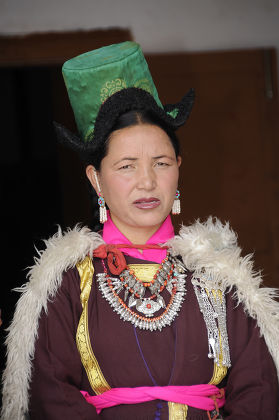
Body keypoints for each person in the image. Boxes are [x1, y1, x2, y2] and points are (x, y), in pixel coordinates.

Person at [1, 41, 278, 420]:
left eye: (161, 163)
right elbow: (50, 395)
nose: (147, 182)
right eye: (126, 166)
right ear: (96, 179)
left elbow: (258, 389)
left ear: (178, 168)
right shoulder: (65, 283)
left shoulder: (222, 277)